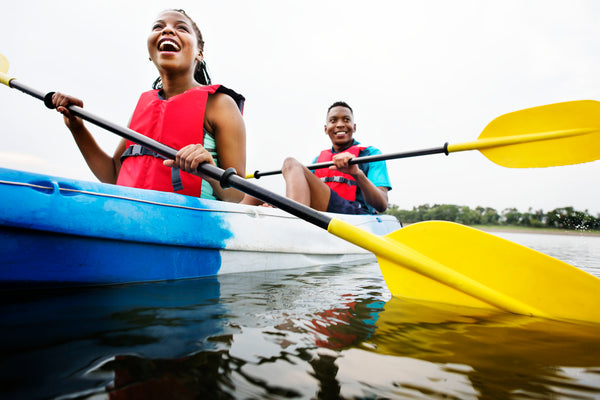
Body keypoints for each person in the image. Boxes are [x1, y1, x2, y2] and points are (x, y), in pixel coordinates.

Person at [51, 9, 246, 203]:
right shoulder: (144, 106)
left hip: (190, 224)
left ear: (199, 53)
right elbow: (113, 175)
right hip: (131, 219)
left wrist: (210, 172)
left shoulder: (221, 104)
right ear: (150, 53)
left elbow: (236, 195)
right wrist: (77, 128)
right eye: (158, 26)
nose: (167, 30)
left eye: (181, 28)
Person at [269, 101, 391, 214]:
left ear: (354, 127)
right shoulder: (317, 161)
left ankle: (295, 228)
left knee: (290, 163)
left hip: (356, 216)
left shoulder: (371, 154)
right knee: (255, 195)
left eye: (346, 120)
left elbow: (382, 205)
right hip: (324, 215)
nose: (340, 125)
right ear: (326, 129)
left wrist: (357, 174)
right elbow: (302, 196)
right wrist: (277, 206)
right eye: (333, 121)